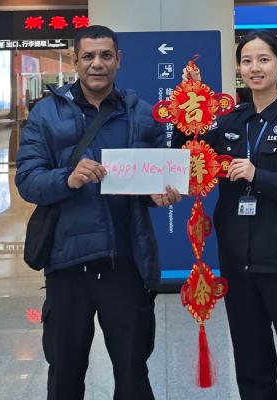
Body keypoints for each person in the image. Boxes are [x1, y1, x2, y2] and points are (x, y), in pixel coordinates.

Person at [15, 25, 183, 400]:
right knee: (65, 373)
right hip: (67, 265)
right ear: (75, 60)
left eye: (106, 55)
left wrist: (158, 195)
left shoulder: (142, 115)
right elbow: (27, 180)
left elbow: (151, 180)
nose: (97, 63)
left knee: (133, 372)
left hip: (125, 263)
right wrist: (67, 178)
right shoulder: (46, 114)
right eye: (88, 56)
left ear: (118, 60)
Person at [175, 30, 277, 400]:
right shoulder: (229, 122)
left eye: (263, 60)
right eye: (246, 61)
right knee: (251, 366)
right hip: (238, 266)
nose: (254, 68)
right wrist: (189, 107)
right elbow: (188, 155)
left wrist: (259, 176)